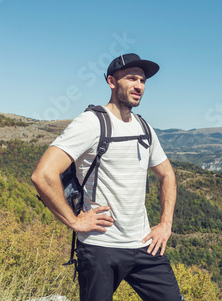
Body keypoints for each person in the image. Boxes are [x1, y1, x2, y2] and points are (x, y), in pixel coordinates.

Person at [31, 53, 184, 301]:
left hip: (145, 245)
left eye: (143, 81)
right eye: (132, 78)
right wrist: (74, 222)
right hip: (100, 248)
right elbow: (43, 174)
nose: (139, 86)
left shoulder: (144, 128)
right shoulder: (91, 123)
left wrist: (165, 224)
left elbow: (167, 174)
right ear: (112, 82)